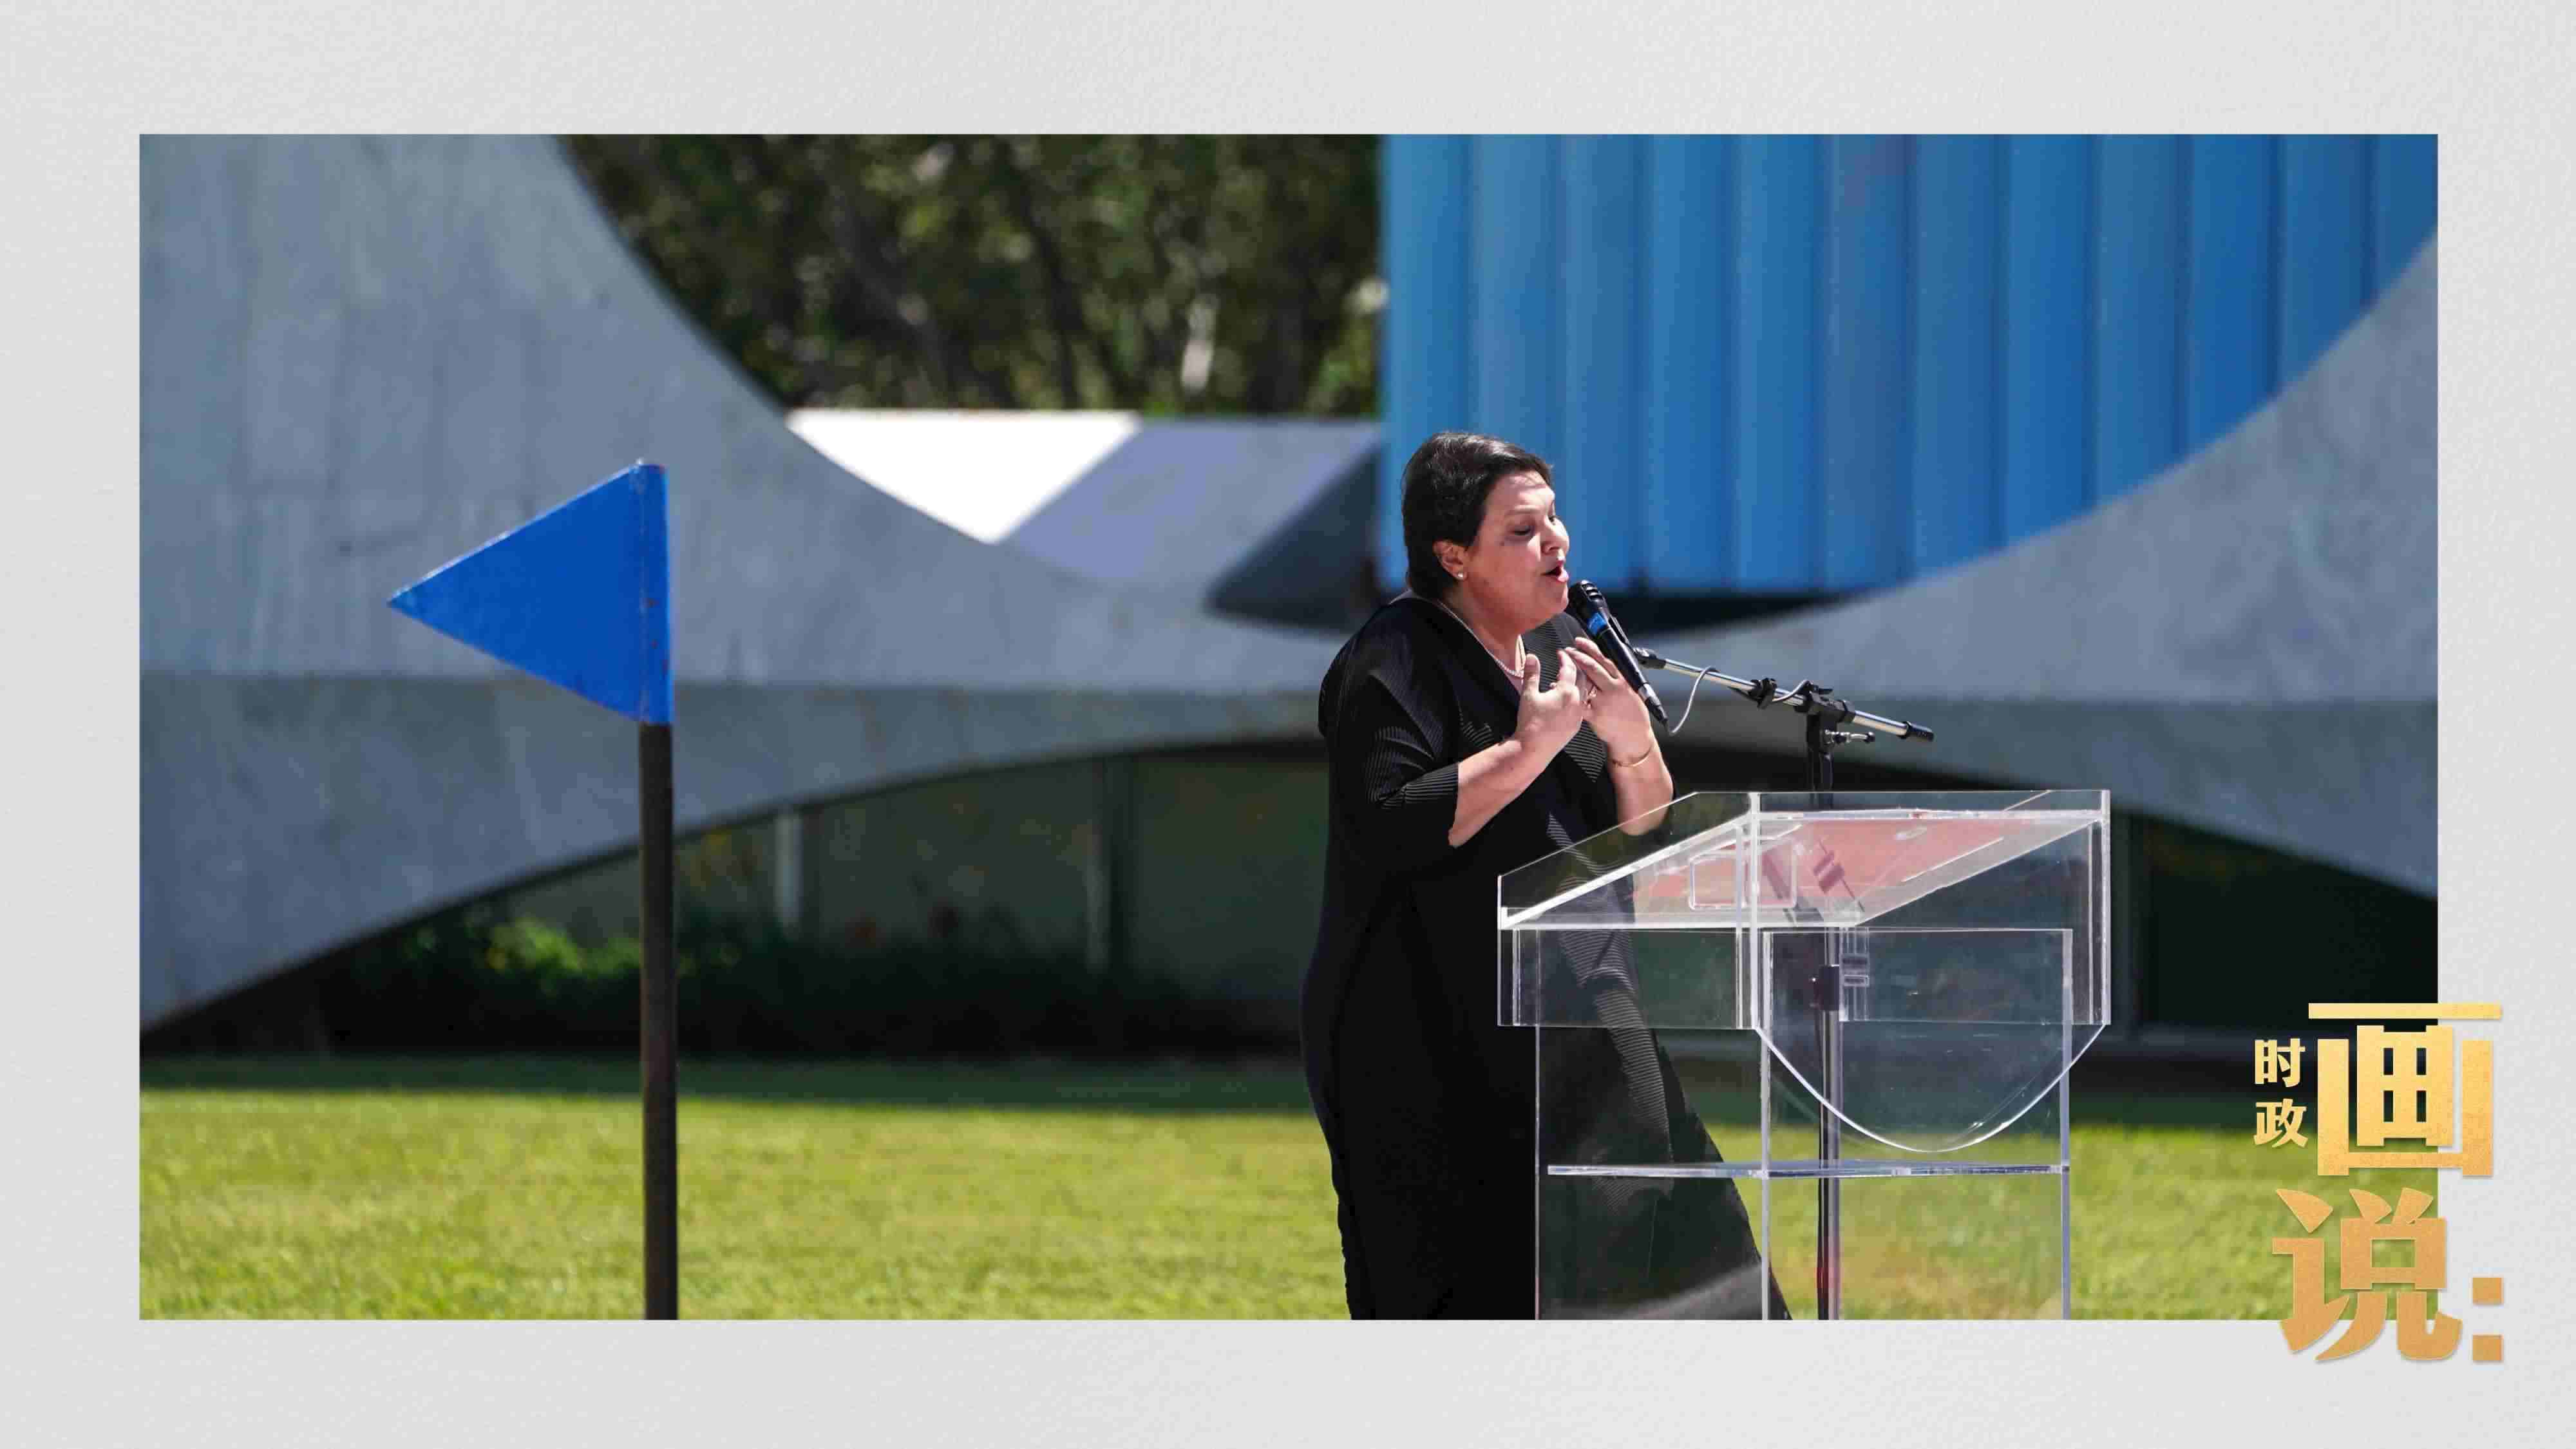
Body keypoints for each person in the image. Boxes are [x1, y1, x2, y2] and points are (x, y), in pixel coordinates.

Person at [1300, 431, 1783, 1320]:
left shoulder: (1563, 643)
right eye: (1522, 531)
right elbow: (1393, 825)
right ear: (1454, 555)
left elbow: (1642, 830)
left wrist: (1630, 740)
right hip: (1427, 1043)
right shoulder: (1395, 657)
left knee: (1691, 1249)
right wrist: (1530, 747)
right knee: (1465, 1298)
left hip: (1582, 1015)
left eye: (1553, 519)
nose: (1555, 540)